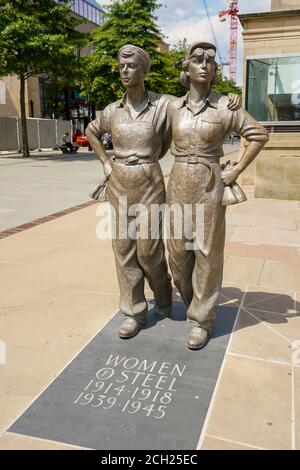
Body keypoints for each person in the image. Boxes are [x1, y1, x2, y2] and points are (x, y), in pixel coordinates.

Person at [86, 44, 241, 341]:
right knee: (123, 252)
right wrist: (106, 162)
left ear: (144, 70)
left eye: (131, 66)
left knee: (149, 251)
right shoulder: (111, 110)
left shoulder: (165, 105)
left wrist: (228, 99)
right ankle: (133, 312)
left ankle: (164, 296)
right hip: (119, 182)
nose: (125, 71)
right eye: (121, 67)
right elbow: (93, 131)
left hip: (149, 183)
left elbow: (192, 106)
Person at [166, 41, 269, 350]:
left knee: (207, 253)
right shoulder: (172, 106)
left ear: (214, 72)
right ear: (186, 67)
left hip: (209, 183)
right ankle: (190, 299)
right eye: (197, 59)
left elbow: (258, 134)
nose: (204, 64)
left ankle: (202, 319)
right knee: (177, 254)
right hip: (177, 181)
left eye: (210, 61)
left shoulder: (227, 106)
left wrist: (236, 170)